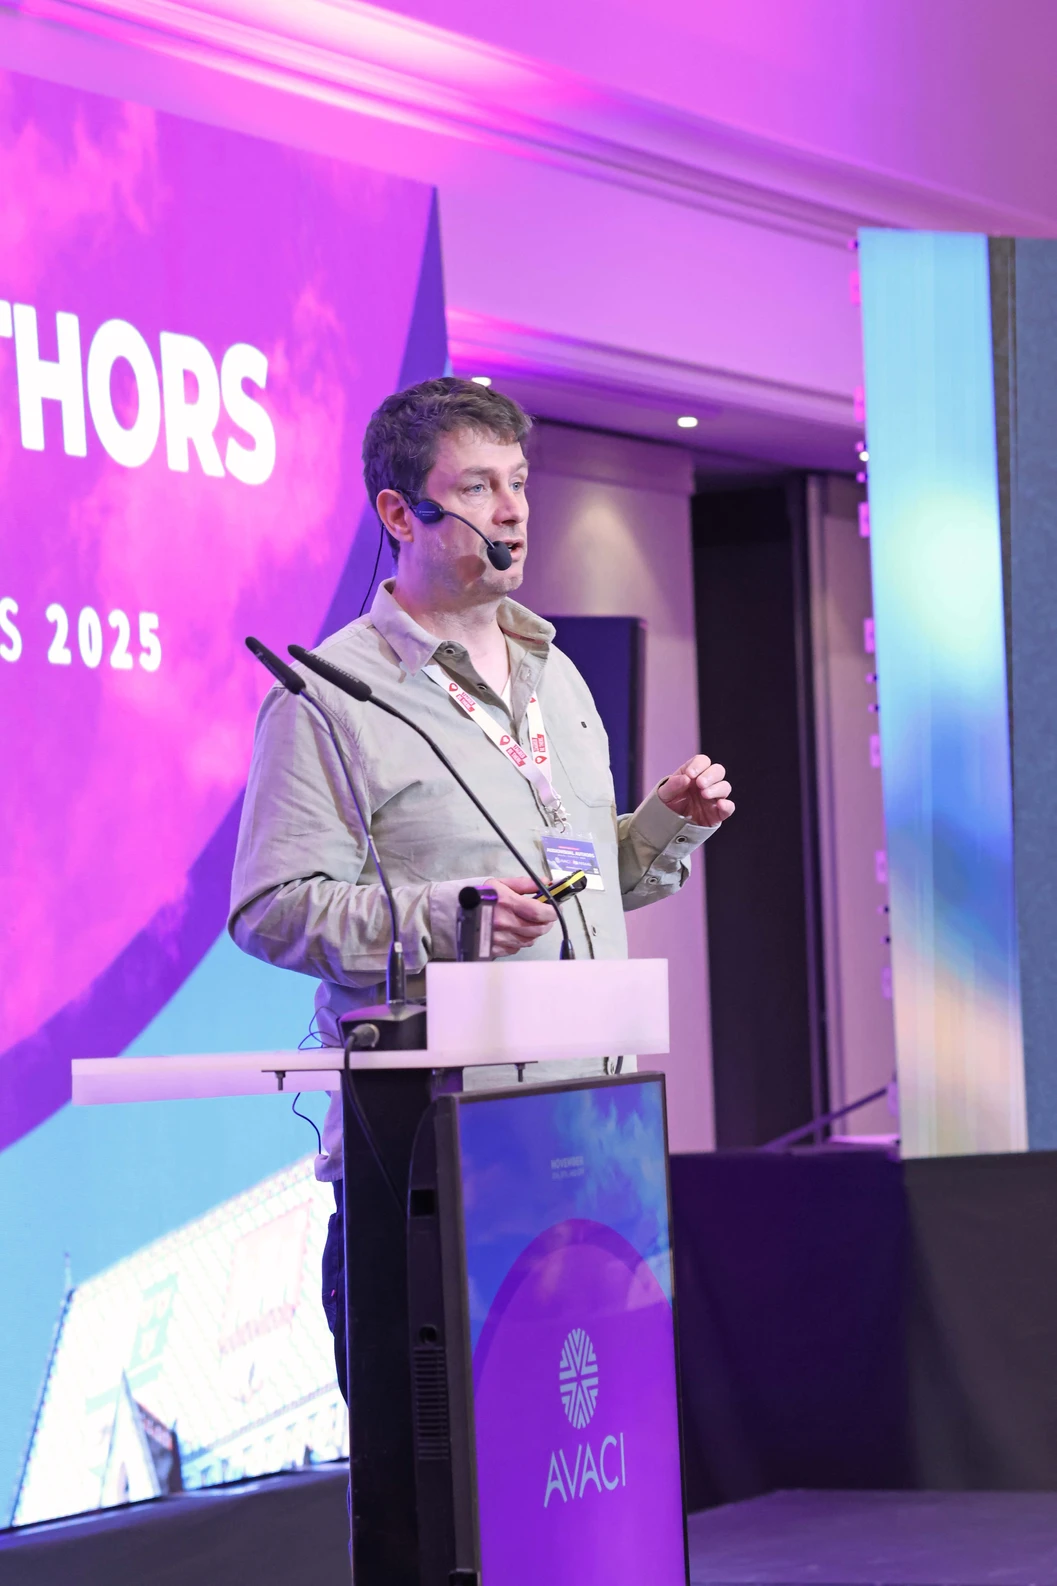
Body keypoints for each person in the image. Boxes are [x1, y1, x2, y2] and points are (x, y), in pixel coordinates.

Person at [228, 376, 735, 1394]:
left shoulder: (556, 675)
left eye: (518, 482)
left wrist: (660, 826)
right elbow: (269, 907)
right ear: (398, 513)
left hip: (593, 1149)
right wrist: (446, 919)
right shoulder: (329, 697)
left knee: (593, 1464)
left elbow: (568, 889)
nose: (511, 511)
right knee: (450, 1478)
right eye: (477, 487)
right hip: (445, 1164)